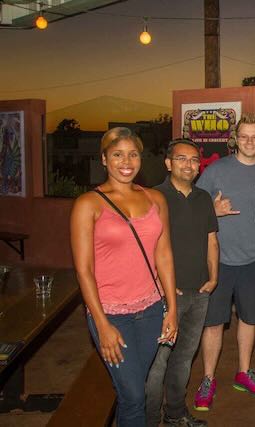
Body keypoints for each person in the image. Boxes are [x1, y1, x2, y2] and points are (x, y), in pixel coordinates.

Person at [70, 127, 178, 427]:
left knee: (132, 390)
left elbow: (164, 255)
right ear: (104, 159)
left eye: (133, 155)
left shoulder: (156, 199)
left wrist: (172, 309)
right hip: (111, 313)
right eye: (117, 155)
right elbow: (84, 270)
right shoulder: (88, 204)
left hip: (151, 310)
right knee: (133, 396)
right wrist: (101, 323)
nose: (126, 162)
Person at [193, 115, 255, 411]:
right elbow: (193, 207)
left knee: (250, 319)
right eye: (244, 136)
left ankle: (244, 372)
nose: (249, 141)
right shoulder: (216, 170)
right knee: (214, 323)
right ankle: (208, 379)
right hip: (219, 261)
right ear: (235, 139)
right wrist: (212, 211)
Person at [145, 139, 219, 427]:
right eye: (181, 159)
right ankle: (150, 420)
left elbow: (211, 240)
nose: (189, 165)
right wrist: (160, 284)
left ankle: (175, 414)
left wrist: (213, 277)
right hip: (166, 296)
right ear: (168, 163)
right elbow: (145, 247)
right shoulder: (154, 197)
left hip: (199, 292)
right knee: (157, 364)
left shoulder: (203, 198)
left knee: (184, 358)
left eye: (194, 160)